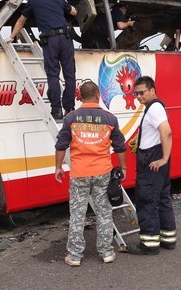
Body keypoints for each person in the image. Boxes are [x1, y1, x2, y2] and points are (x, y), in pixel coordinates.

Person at [54, 81, 128, 267]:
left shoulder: (71, 118)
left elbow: (61, 145)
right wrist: (123, 168)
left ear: (80, 96)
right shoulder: (109, 118)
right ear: (97, 95)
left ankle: (75, 256)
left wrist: (58, 167)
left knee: (77, 214)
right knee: (104, 213)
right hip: (102, 172)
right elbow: (120, 146)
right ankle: (106, 252)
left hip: (79, 173)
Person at [6, 0, 78, 120]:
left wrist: (11, 37)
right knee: (69, 74)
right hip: (65, 39)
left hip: (50, 40)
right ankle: (69, 108)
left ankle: (56, 110)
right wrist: (64, 1)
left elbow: (21, 21)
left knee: (53, 75)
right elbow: (74, 12)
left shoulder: (33, 2)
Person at [128, 75, 177, 255]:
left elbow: (167, 132)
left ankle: (149, 245)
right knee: (163, 199)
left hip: (151, 162)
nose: (138, 97)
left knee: (147, 200)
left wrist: (164, 158)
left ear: (152, 91)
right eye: (136, 93)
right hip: (156, 160)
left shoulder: (154, 108)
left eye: (142, 93)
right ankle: (168, 239)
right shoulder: (155, 107)